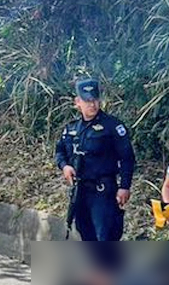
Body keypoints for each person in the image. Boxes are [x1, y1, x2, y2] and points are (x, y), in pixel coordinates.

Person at [55, 77, 135, 241]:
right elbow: (60, 151)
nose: (92, 104)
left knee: (105, 237)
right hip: (81, 191)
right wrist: (65, 166)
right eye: (87, 101)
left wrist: (124, 186)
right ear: (78, 102)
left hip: (103, 192)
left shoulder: (112, 126)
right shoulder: (72, 128)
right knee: (86, 235)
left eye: (95, 100)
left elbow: (127, 157)